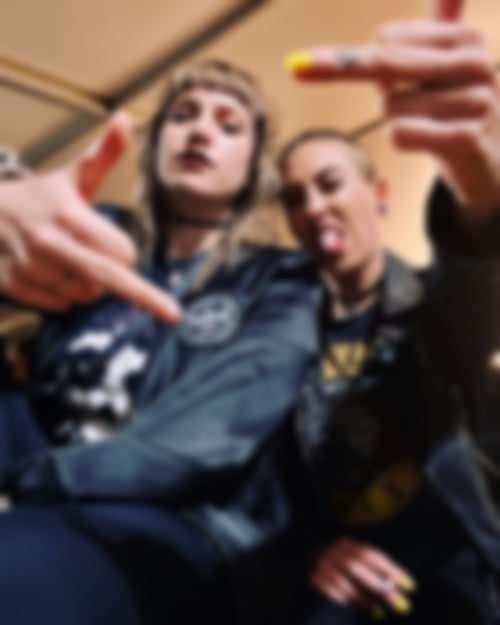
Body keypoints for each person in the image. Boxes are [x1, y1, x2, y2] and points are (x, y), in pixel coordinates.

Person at [0, 60, 318, 625]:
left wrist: (25, 486)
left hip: (177, 520)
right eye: (183, 116)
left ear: (253, 166)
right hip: (32, 478)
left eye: (228, 124)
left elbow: (207, 440)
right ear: (155, 147)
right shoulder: (98, 234)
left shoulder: (280, 278)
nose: (200, 131)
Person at [276, 4, 500, 624]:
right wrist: (309, 550)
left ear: (378, 196)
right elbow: (267, 482)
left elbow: (473, 269)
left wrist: (479, 186)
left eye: (330, 184)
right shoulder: (280, 341)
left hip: (469, 586)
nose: (313, 207)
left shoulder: (433, 307)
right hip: (352, 603)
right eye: (294, 198)